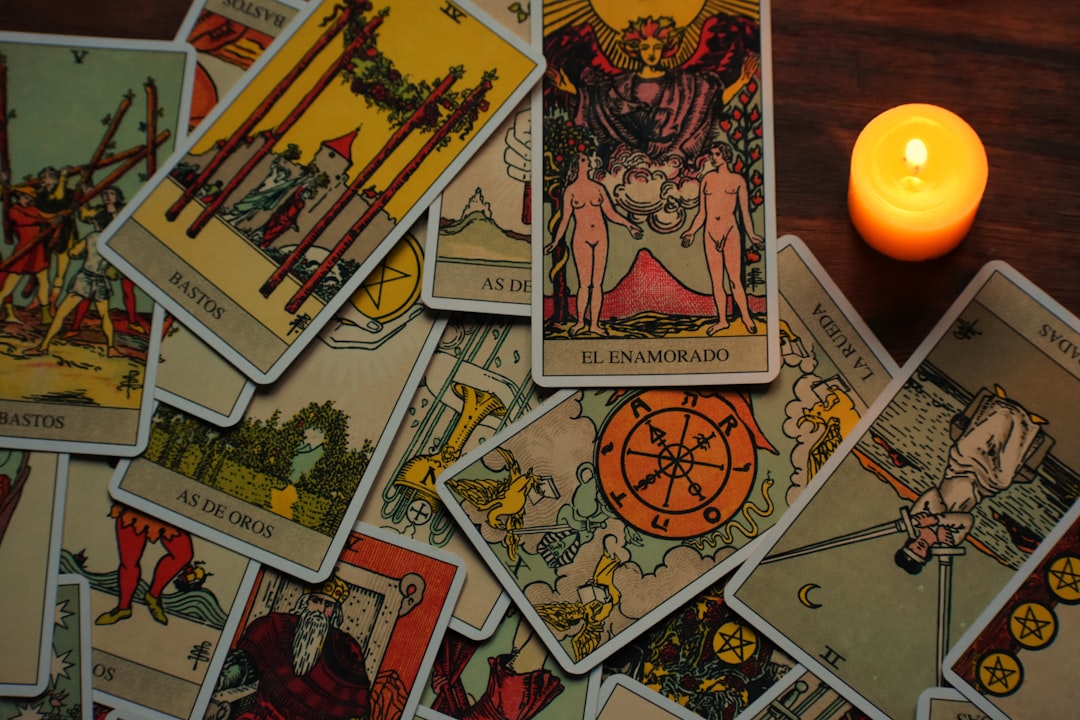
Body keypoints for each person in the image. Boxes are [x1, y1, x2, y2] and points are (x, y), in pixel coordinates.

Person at [550, 15, 758, 163]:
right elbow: (597, 103)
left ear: (666, 48)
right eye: (645, 47)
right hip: (628, 166)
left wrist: (741, 81)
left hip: (676, 165)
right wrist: (568, 88)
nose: (651, 52)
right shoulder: (620, 85)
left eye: (657, 47)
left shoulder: (686, 83)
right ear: (635, 50)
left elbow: (712, 102)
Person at [895, 388, 1046, 574]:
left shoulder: (916, 518)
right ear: (925, 556)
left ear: (908, 544)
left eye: (911, 549)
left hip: (960, 466)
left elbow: (933, 494)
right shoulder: (949, 540)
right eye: (918, 553)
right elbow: (967, 520)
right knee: (1004, 478)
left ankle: (1002, 404)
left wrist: (930, 519)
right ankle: (1027, 424)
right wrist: (938, 521)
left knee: (985, 434)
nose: (917, 548)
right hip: (984, 486)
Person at [215, 575, 372, 720]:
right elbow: (245, 663)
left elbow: (355, 705)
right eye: (316, 601)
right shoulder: (276, 625)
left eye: (328, 605)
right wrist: (222, 681)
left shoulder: (345, 648)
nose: (321, 610)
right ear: (305, 603)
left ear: (335, 612)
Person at [544, 153, 642, 336]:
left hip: (600, 237)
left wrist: (629, 225)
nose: (587, 161)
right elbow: (565, 219)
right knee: (584, 284)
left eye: (587, 159)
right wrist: (555, 241)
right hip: (581, 238)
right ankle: (580, 322)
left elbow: (610, 213)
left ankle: (595, 324)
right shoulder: (571, 190)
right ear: (576, 165)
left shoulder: (598, 188)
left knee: (597, 284)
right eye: (583, 159)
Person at [681, 143, 763, 335]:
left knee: (735, 280)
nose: (713, 157)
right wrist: (691, 231)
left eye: (717, 154)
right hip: (710, 233)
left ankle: (746, 317)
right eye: (711, 154)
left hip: (730, 232)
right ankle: (722, 321)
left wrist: (751, 235)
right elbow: (702, 212)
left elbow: (745, 213)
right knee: (717, 282)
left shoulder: (737, 180)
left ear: (725, 156)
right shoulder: (707, 179)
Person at [25, 205, 123, 357]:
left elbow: (73, 253)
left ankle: (43, 346)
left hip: (85, 278)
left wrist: (77, 249)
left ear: (97, 223)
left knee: (61, 314)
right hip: (101, 280)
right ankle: (111, 347)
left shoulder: (92, 237)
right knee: (104, 315)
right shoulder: (113, 242)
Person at [65, 186, 146, 337]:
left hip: (122, 253)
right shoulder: (98, 211)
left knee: (128, 290)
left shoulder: (125, 209)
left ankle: (133, 321)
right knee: (88, 292)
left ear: (118, 196)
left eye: (111, 193)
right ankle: (75, 327)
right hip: (101, 257)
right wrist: (86, 196)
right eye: (105, 194)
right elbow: (84, 214)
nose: (108, 196)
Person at [95, 504, 194, 626]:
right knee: (129, 563)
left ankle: (153, 596)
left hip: (166, 510)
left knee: (183, 555)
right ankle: (123, 608)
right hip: (135, 508)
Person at [0, 187, 56, 325]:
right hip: (23, 251)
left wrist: (61, 214)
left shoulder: (33, 209)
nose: (27, 200)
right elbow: (27, 220)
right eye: (25, 197)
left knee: (44, 282)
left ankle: (45, 313)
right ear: (19, 196)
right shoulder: (14, 211)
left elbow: (46, 215)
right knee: (9, 285)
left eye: (29, 198)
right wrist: (48, 221)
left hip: (38, 250)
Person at [33, 166, 80, 311]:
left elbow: (61, 199)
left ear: (54, 179)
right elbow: (50, 205)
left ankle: (53, 300)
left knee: (61, 272)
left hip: (65, 234)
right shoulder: (40, 195)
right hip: (45, 234)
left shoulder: (68, 193)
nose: (43, 179)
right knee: (42, 271)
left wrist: (64, 178)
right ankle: (39, 300)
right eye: (42, 177)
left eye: (46, 177)